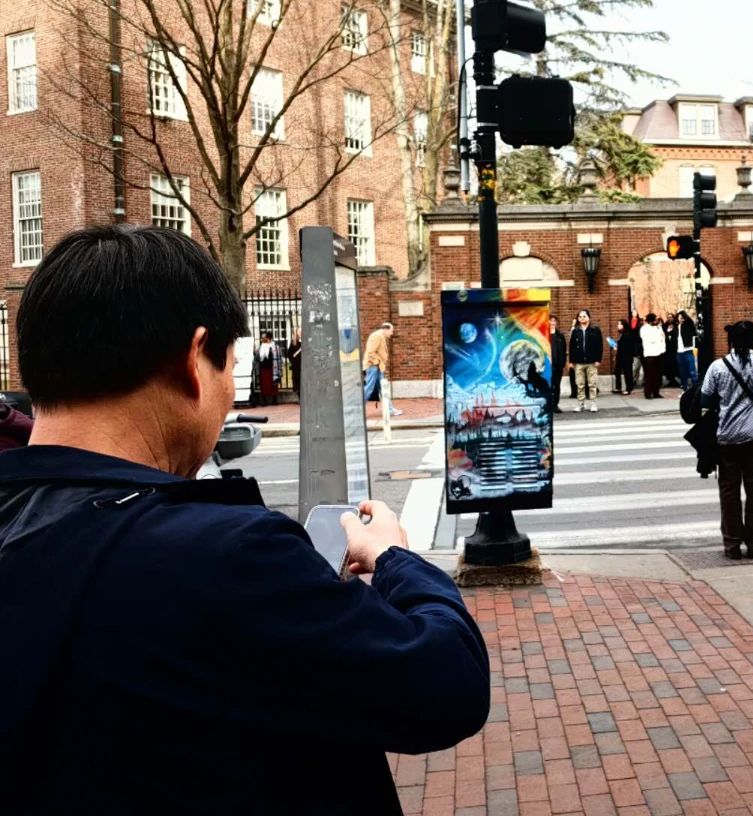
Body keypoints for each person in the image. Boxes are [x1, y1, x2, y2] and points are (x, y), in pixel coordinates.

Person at [0, 225, 489, 813]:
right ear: (192, 361)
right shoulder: (221, 555)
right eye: (228, 366)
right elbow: (446, 684)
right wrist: (396, 560)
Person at [699, 320, 753, 559]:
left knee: (729, 491)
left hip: (726, 437)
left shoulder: (717, 367)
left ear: (731, 341)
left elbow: (705, 400)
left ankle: (732, 544)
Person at [363, 322, 403, 417]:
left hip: (376, 367)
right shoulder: (377, 336)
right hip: (373, 367)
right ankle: (357, 409)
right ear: (386, 329)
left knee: (383, 389)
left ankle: (390, 409)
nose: (392, 333)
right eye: (391, 331)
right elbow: (370, 352)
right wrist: (377, 363)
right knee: (369, 389)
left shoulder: (380, 336)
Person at [568, 308, 603, 413]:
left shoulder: (595, 330)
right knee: (580, 383)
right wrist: (571, 361)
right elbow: (572, 347)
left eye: (584, 316)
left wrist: (598, 359)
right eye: (580, 317)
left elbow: (599, 345)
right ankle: (581, 404)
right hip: (579, 362)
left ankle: (593, 403)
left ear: (589, 317)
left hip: (592, 361)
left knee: (592, 383)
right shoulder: (575, 331)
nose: (582, 318)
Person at [639, 313, 668, 399]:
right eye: (655, 319)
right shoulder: (644, 329)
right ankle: (648, 393)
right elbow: (651, 339)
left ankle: (656, 392)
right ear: (651, 321)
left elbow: (663, 337)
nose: (657, 321)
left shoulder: (658, 328)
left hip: (660, 353)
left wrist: (663, 349)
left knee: (658, 375)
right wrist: (658, 337)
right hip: (650, 354)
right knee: (649, 375)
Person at [611, 319, 636, 395]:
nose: (617, 326)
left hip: (626, 357)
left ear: (624, 326)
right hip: (620, 356)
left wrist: (616, 347)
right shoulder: (621, 334)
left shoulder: (627, 334)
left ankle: (629, 389)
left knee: (627, 373)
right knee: (617, 371)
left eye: (619, 324)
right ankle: (618, 387)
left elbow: (627, 347)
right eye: (618, 324)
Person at [676, 310, 698, 389]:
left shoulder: (688, 324)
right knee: (682, 371)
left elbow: (690, 321)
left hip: (688, 350)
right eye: (679, 318)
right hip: (679, 351)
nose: (680, 319)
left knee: (692, 370)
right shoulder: (677, 326)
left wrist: (683, 313)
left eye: (682, 318)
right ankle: (684, 386)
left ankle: (695, 386)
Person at [549, 314, 567, 414]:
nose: (552, 323)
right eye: (550, 321)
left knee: (557, 385)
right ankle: (548, 404)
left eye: (554, 321)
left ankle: (555, 404)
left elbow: (564, 350)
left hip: (558, 365)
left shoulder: (560, 335)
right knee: (548, 385)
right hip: (548, 366)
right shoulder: (544, 335)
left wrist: (563, 362)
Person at [256, 331, 280, 405]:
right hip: (263, 369)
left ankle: (274, 400)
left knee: (273, 384)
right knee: (264, 385)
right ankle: (264, 401)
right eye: (262, 337)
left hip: (272, 369)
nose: (262, 339)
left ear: (268, 338)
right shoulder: (260, 347)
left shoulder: (275, 347)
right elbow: (257, 358)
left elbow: (279, 358)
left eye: (264, 337)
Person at [663, 313, 681, 388]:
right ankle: (670, 379)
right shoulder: (664, 325)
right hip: (667, 349)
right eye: (668, 317)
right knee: (668, 365)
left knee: (675, 364)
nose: (669, 318)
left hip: (675, 348)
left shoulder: (677, 325)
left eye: (671, 317)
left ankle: (675, 379)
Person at [286, 327, 303, 397]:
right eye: (299, 332)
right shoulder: (294, 342)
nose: (301, 333)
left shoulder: (306, 341)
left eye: (301, 331)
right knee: (298, 383)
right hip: (297, 366)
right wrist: (294, 360)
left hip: (305, 366)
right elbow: (289, 354)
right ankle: (300, 397)